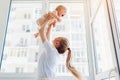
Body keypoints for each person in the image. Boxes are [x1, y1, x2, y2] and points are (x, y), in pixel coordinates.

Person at [37, 14, 81, 80]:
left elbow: (41, 31)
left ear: (57, 43)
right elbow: (47, 37)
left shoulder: (51, 51)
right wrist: (51, 25)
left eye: (57, 38)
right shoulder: (53, 52)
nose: (55, 38)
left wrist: (49, 21)